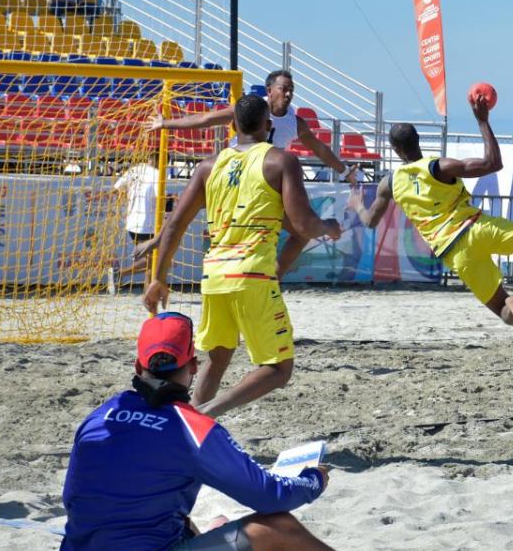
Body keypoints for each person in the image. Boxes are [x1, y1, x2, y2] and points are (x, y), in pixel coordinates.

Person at [61, 312, 333, 550]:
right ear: (193, 367)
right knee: (278, 526)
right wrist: (313, 479)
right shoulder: (192, 429)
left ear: (137, 366)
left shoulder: (100, 415)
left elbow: (77, 499)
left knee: (209, 522)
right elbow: (272, 496)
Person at [143, 94, 341, 417]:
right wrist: (329, 226)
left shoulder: (210, 165)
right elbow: (303, 224)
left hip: (214, 275)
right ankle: (204, 414)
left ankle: (188, 425)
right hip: (252, 274)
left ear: (232, 125)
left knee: (218, 357)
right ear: (268, 126)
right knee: (279, 369)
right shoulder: (281, 160)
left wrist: (158, 279)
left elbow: (175, 224)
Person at [349, 92, 513, 325]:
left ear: (395, 150)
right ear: (418, 140)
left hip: (453, 251)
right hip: (478, 228)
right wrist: (482, 121)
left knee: (504, 314)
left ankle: (509, 302)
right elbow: (493, 163)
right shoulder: (439, 166)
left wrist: (358, 203)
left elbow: (370, 220)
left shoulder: (389, 183)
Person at [147, 70, 355, 276]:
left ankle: (274, 277)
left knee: (301, 232)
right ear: (270, 90)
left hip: (262, 181)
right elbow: (206, 118)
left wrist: (345, 170)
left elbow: (319, 148)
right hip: (235, 171)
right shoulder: (252, 109)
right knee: (189, 205)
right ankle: (159, 240)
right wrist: (165, 123)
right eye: (284, 89)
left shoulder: (295, 122)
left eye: (291, 90)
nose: (289, 94)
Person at [109, 155, 159, 292]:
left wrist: (131, 198)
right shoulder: (157, 174)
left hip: (132, 223)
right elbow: (161, 198)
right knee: (154, 261)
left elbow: (117, 187)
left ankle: (147, 291)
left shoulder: (134, 170)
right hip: (147, 225)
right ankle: (121, 274)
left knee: (152, 261)